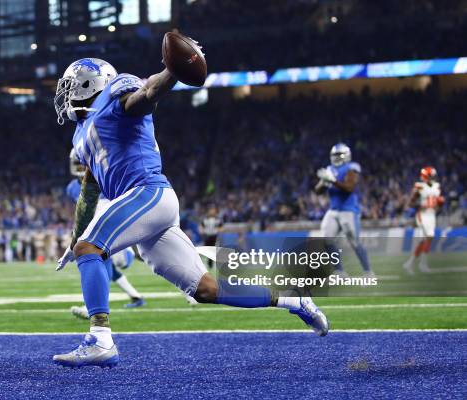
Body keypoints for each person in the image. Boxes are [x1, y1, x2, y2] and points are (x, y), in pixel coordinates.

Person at [52, 55, 328, 369]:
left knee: (91, 247)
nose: (66, 93)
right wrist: (75, 237)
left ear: (92, 81)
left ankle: (100, 340)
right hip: (147, 209)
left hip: (146, 192)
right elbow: (89, 189)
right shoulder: (81, 132)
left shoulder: (115, 96)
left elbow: (146, 95)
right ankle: (292, 298)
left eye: (71, 85)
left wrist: (173, 70)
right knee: (206, 289)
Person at [66, 149, 146, 315]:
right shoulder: (72, 188)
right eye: (79, 162)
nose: (82, 166)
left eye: (84, 162)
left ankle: (92, 309)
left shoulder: (106, 180)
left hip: (117, 237)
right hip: (100, 235)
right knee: (103, 263)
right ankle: (136, 297)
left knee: (101, 259)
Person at [315, 143, 373, 278]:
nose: (336, 158)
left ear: (346, 155)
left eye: (338, 155)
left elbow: (349, 188)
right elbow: (317, 191)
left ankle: (368, 272)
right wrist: (323, 182)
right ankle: (340, 271)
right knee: (327, 239)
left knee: (354, 240)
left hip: (348, 210)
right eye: (334, 155)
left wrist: (332, 180)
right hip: (334, 210)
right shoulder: (329, 169)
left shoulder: (351, 168)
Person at [403, 166, 444, 273]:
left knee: (424, 240)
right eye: (431, 175)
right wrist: (421, 205)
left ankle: (411, 263)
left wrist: (439, 203)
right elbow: (410, 203)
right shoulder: (419, 187)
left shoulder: (437, 186)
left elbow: (438, 204)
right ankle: (422, 264)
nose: (433, 177)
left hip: (432, 215)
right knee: (429, 236)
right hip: (423, 214)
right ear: (427, 176)